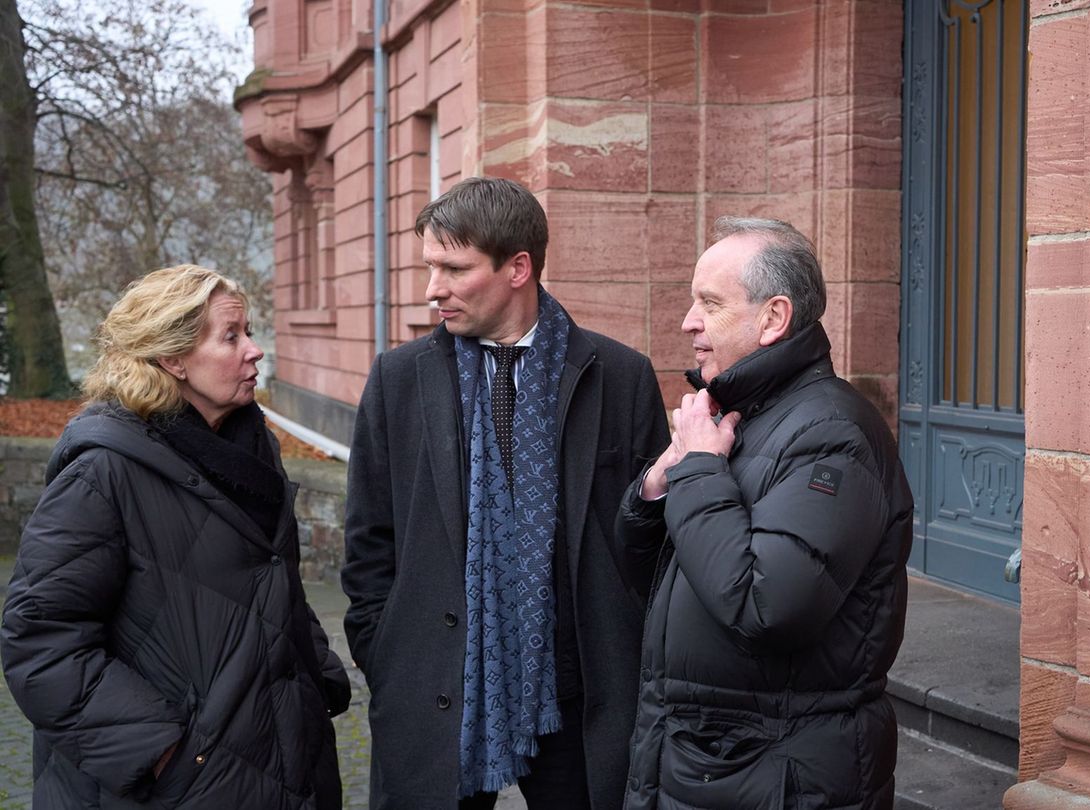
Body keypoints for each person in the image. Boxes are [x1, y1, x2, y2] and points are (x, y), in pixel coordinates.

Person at [343, 176, 669, 810]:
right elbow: (369, 541)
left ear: (518, 268)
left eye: (454, 269)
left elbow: (650, 546)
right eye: (430, 266)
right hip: (439, 688)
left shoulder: (620, 376)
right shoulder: (398, 380)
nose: (432, 288)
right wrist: (386, 656)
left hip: (579, 695)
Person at [1, 265, 351, 809]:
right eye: (231, 336)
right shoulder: (101, 473)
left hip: (285, 759)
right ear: (173, 359)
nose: (255, 350)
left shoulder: (251, 451)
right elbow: (39, 641)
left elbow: (270, 585)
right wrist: (161, 752)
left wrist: (316, 670)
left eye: (249, 331)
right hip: (168, 788)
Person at [614, 218, 915, 810]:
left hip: (775, 770)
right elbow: (648, 574)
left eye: (710, 303)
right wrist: (657, 484)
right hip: (713, 756)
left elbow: (767, 605)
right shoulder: (738, 415)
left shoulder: (832, 435)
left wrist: (700, 470)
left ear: (773, 318)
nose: (688, 321)